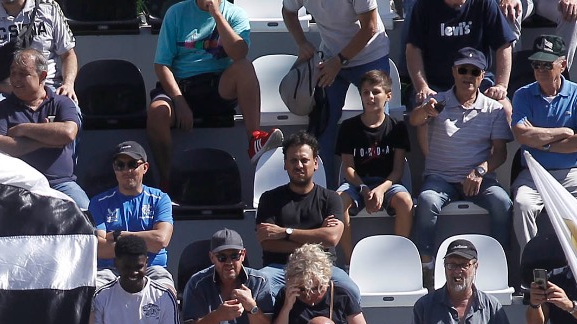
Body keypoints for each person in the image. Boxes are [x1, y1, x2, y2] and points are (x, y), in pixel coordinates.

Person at [146, 0, 276, 185]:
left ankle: (254, 139)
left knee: (245, 68)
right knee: (157, 113)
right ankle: (168, 182)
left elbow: (239, 54)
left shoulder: (235, 14)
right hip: (181, 86)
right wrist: (180, 101)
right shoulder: (176, 13)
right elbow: (161, 65)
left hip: (217, 85)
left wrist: (217, 15)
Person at [408, 50, 513, 263]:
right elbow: (414, 120)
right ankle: (426, 265)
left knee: (503, 202)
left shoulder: (494, 109)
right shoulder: (437, 102)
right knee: (427, 200)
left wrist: (480, 171)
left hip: (479, 180)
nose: (468, 76)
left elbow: (500, 154)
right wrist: (426, 111)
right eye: (463, 70)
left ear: (482, 76)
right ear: (454, 72)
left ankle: (500, 263)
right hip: (440, 179)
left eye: (474, 71)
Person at [509, 34, 577, 250]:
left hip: (573, 172)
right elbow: (521, 134)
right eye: (536, 64)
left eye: (546, 64)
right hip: (534, 172)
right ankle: (531, 265)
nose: (540, 69)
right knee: (522, 204)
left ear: (562, 64)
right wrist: (564, 132)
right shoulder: (523, 95)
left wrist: (542, 143)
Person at [284, 0, 390, 172]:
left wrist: (339, 60)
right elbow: (288, 11)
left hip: (370, 57)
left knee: (376, 123)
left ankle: (377, 183)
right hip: (330, 57)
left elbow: (370, 26)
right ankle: (323, 188)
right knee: (322, 124)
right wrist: (301, 42)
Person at [256, 133, 362, 302]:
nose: (299, 165)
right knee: (259, 289)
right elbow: (268, 243)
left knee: (350, 291)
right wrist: (318, 238)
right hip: (280, 268)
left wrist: (285, 232)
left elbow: (332, 238)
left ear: (315, 163)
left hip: (322, 267)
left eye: (304, 160)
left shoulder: (331, 198)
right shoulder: (269, 199)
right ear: (285, 164)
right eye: (293, 161)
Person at [0, 49, 86, 207]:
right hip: (19, 186)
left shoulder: (61, 102)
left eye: (23, 74)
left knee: (88, 218)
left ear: (42, 76)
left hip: (60, 185)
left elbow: (67, 133)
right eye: (13, 73)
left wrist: (23, 129)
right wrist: (46, 141)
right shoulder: (1, 109)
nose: (15, 79)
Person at [335, 68, 413, 258]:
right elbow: (348, 167)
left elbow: (397, 170)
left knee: (405, 201)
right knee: (338, 200)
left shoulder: (397, 127)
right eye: (365, 92)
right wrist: (363, 187)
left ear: (388, 95)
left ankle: (399, 257)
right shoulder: (348, 127)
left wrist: (380, 190)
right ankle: (349, 259)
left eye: (376, 92)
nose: (370, 96)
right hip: (357, 183)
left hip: (387, 182)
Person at [91, 236, 183, 324]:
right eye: (127, 267)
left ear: (146, 263)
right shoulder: (102, 296)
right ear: (116, 263)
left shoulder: (163, 296)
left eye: (138, 267)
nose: (133, 272)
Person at [0, 0, 77, 103]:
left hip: (48, 86)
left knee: (71, 117)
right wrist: (1, 87)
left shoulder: (50, 8)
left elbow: (68, 55)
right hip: (1, 92)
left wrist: (68, 84)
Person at [267, 244, 372, 324]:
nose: (309, 294)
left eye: (317, 288)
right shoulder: (286, 295)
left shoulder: (342, 295)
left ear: (326, 280)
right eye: (302, 289)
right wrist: (286, 308)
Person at [404, 0, 514, 105]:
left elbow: (504, 44)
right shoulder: (424, 5)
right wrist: (423, 87)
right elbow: (413, 48)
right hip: (436, 85)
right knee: (422, 115)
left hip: (477, 80)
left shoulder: (484, 3)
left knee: (505, 109)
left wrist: (501, 85)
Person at [90, 141, 174, 271]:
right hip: (110, 270)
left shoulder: (160, 199)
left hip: (152, 268)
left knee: (166, 289)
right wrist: (145, 241)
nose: (126, 170)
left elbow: (160, 240)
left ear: (145, 168)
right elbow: (99, 249)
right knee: (97, 289)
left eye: (132, 164)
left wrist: (118, 235)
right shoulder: (98, 202)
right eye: (120, 165)